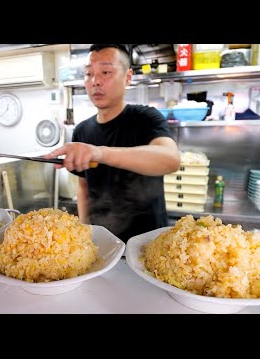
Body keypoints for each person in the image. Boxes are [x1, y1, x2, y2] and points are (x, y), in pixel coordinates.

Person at [45, 44, 181, 243]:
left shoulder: (145, 118)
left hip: (147, 244)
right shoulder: (82, 130)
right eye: (89, 73)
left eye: (106, 72)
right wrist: (84, 233)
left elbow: (171, 159)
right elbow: (83, 188)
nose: (95, 81)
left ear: (128, 77)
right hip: (103, 243)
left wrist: (100, 153)